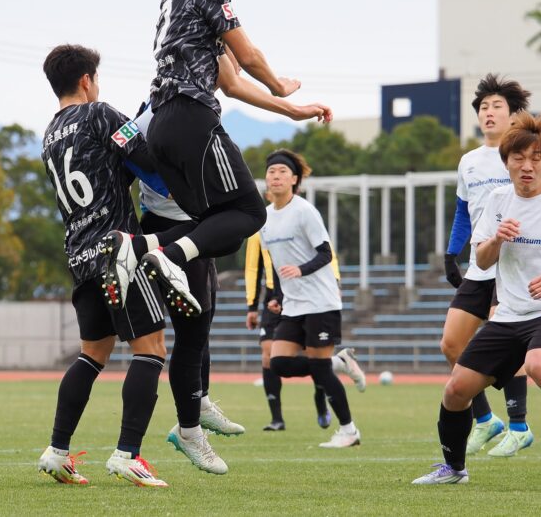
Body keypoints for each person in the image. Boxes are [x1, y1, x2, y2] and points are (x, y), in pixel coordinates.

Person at [109, 0, 331, 312]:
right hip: (191, 117)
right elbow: (248, 57)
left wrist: (291, 110)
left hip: (163, 125)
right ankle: (167, 258)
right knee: (251, 212)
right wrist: (279, 85)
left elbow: (231, 83)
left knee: (219, 227)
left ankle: (140, 248)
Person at [413, 113, 541, 486]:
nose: (527, 166)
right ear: (506, 162)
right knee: (456, 389)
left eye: (536, 158)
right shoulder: (498, 200)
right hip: (509, 314)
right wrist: (497, 239)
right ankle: (454, 469)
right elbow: (482, 259)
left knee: (539, 365)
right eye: (518, 158)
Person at [35, 44, 177, 488]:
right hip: (118, 252)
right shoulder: (100, 114)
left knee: (92, 355)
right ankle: (127, 454)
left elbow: (107, 175)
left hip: (79, 256)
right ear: (86, 80)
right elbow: (148, 164)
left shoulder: (49, 135)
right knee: (151, 349)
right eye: (96, 79)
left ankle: (57, 451)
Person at [441, 73, 541, 457]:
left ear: (514, 115)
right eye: (483, 107)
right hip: (481, 264)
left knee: (507, 341)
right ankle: (485, 420)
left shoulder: (526, 156)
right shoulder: (469, 162)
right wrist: (451, 252)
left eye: (497, 106)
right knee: (451, 344)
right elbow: (463, 212)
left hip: (514, 269)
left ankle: (518, 426)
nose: (489, 112)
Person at [126, 123, 244, 477]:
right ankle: (189, 430)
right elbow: (128, 157)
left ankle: (200, 400)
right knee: (190, 335)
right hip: (169, 228)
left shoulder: (192, 110)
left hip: (198, 228)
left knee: (203, 325)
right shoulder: (149, 118)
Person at [260, 149, 363, 448]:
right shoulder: (264, 218)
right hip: (293, 304)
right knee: (278, 363)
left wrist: (301, 270)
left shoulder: (304, 211)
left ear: (294, 179)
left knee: (319, 369)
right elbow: (276, 262)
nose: (276, 176)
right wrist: (277, 296)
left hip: (321, 301)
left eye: (282, 171)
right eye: (271, 171)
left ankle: (349, 430)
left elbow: (326, 253)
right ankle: (337, 362)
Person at [246, 228, 364, 431]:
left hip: (308, 293)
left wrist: (335, 282)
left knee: (315, 356)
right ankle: (277, 419)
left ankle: (326, 405)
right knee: (272, 358)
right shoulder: (259, 228)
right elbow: (253, 268)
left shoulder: (303, 218)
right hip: (278, 294)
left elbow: (327, 253)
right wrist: (252, 305)